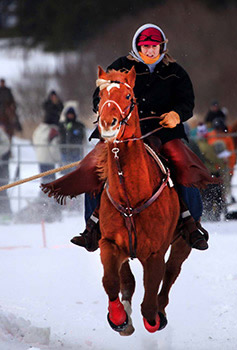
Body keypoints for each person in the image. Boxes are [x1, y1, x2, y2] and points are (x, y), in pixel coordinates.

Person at [41, 23, 218, 251]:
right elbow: (100, 95)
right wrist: (106, 109)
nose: (151, 50)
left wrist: (176, 115)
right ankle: (92, 228)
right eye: (146, 46)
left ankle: (192, 224)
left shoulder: (175, 71)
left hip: (162, 130)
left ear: (162, 46)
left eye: (155, 46)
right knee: (93, 167)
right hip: (122, 132)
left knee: (185, 164)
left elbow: (187, 103)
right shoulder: (122, 66)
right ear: (137, 45)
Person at [32, 90, 63, 183]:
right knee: (49, 180)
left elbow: (34, 141)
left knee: (45, 180)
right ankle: (47, 196)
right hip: (48, 159)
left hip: (41, 158)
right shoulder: (53, 131)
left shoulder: (39, 130)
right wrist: (59, 160)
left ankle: (44, 195)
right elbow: (54, 148)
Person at [58, 107, 85, 172]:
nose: (70, 116)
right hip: (65, 151)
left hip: (76, 151)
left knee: (75, 171)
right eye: (69, 115)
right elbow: (60, 135)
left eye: (71, 114)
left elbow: (81, 136)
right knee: (65, 171)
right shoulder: (62, 125)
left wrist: (73, 132)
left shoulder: (79, 125)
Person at [0, 122, 12, 220]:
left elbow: (6, 145)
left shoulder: (2, 135)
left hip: (3, 166)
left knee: (3, 189)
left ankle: (6, 214)